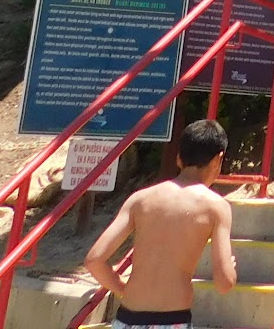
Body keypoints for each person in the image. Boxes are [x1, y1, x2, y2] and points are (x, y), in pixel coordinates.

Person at [85, 118, 237, 326]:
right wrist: (230, 269)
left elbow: (94, 260)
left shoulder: (140, 199)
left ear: (179, 158)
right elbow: (224, 283)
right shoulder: (216, 207)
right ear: (218, 159)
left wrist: (123, 289)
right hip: (172, 319)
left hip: (127, 318)